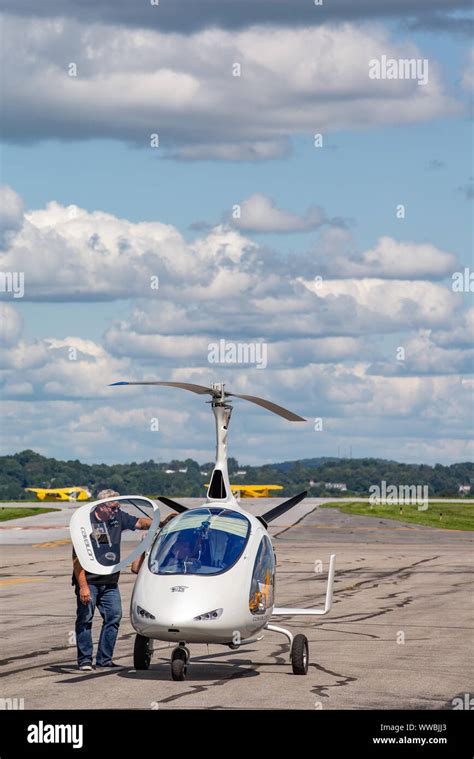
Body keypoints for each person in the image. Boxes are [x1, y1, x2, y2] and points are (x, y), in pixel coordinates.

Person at [72, 489, 152, 671]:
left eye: (118, 507)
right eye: (114, 508)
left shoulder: (117, 518)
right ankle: (85, 660)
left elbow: (140, 523)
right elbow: (77, 560)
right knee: (85, 618)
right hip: (89, 581)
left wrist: (159, 522)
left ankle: (104, 660)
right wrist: (83, 586)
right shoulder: (85, 523)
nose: (117, 511)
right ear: (101, 506)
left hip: (109, 582)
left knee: (114, 616)